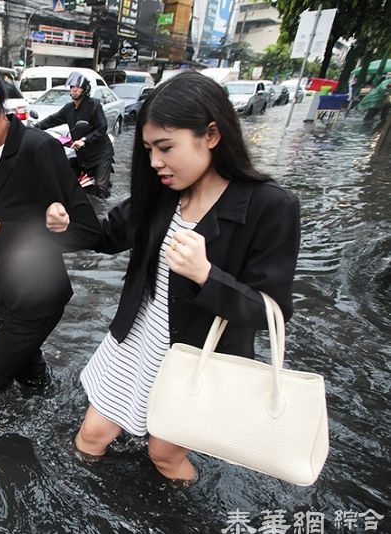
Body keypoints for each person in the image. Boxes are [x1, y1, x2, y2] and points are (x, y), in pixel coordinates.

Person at [44, 72, 300, 480]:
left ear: (211, 135)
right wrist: (62, 226)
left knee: (164, 454)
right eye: (148, 149)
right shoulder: (164, 192)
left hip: (196, 356)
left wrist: (206, 275)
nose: (154, 162)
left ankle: (185, 532)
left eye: (165, 147)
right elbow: (108, 235)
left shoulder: (271, 206)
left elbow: (272, 312)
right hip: (138, 339)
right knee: (92, 435)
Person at [0, 49, 101, 413]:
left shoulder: (37, 150)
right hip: (5, 292)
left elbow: (88, 231)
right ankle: (60, 411)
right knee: (30, 378)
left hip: (37, 299)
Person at [34, 71, 115, 198]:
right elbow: (52, 120)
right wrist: (34, 127)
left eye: (77, 87)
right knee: (67, 180)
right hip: (83, 155)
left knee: (101, 191)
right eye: (72, 87)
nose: (74, 90)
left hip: (101, 154)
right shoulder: (68, 108)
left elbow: (102, 127)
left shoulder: (94, 105)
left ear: (85, 89)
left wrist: (84, 140)